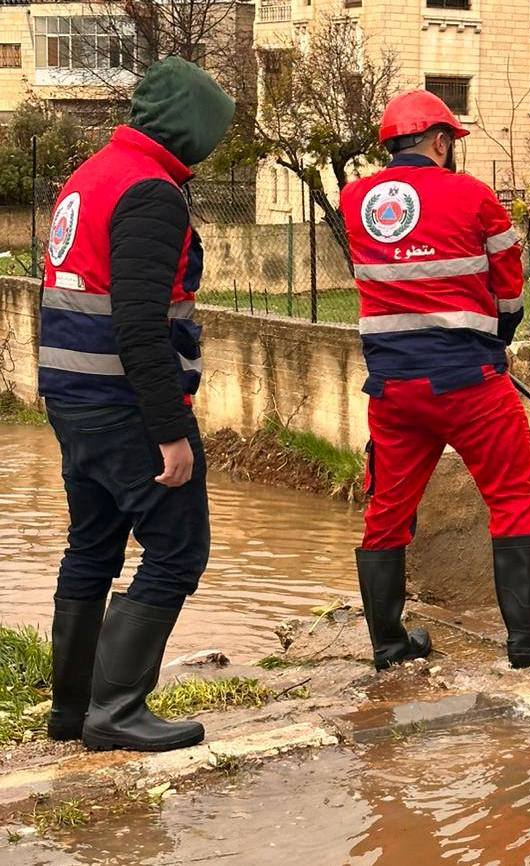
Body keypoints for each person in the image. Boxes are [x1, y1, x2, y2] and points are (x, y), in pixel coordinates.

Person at [339, 90, 530, 670]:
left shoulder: (355, 200)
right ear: (440, 141)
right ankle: (528, 637)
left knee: (387, 509)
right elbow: (509, 291)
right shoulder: (475, 196)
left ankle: (389, 645)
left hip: (392, 389)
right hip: (470, 383)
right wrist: (496, 341)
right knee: (514, 496)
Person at [38, 57, 234, 752]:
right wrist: (171, 431)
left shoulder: (90, 176)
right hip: (125, 403)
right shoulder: (150, 191)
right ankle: (116, 710)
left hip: (72, 396)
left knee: (92, 547)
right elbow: (140, 326)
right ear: (191, 128)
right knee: (178, 549)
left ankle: (72, 711)